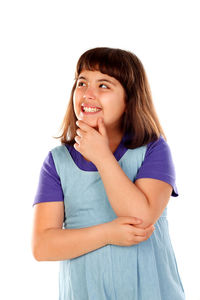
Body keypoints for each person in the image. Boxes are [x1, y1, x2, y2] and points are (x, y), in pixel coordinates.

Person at [32, 47, 185, 299]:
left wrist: (102, 157)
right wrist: (107, 234)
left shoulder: (154, 149)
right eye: (82, 83)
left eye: (103, 85)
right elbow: (42, 246)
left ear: (129, 100)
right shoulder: (57, 162)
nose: (88, 94)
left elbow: (140, 217)